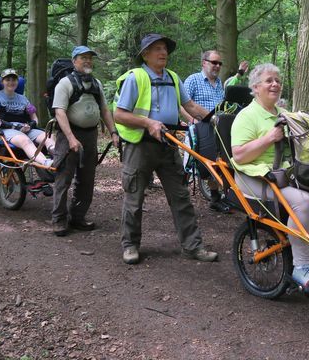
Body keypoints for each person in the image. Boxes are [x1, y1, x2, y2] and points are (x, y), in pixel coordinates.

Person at [231, 63, 309, 294]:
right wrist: (269, 138)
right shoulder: (246, 116)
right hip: (254, 178)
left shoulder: (283, 114)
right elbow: (238, 155)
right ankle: (302, 266)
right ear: (256, 87)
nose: (275, 84)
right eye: (269, 80)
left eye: (277, 80)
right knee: (303, 201)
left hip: (285, 176)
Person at [114, 33, 218, 265]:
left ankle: (193, 246)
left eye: (165, 49)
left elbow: (189, 105)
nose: (163, 53)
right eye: (157, 49)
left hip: (169, 145)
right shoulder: (136, 78)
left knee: (181, 197)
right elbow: (119, 115)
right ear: (145, 54)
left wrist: (213, 118)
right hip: (140, 147)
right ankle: (130, 245)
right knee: (134, 198)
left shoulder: (172, 77)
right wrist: (148, 122)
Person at [51, 46, 119, 237]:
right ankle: (59, 220)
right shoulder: (64, 83)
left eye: (90, 58)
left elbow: (105, 110)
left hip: (91, 136)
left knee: (87, 178)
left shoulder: (96, 83)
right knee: (63, 178)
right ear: (74, 61)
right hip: (68, 135)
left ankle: (78, 217)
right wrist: (71, 138)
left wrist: (113, 132)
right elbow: (59, 112)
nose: (88, 61)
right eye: (83, 58)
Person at [183, 50, 230, 213]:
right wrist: (192, 121)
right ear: (204, 62)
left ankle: (216, 198)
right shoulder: (193, 80)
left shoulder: (219, 84)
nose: (217, 66)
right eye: (214, 62)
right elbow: (181, 104)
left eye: (219, 63)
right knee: (197, 162)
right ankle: (181, 196)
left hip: (217, 127)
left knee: (217, 161)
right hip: (199, 127)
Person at [0, 68, 55, 166]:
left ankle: (57, 158)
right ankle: (46, 162)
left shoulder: (23, 99)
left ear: (17, 81)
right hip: (4, 130)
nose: (11, 82)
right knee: (25, 140)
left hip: (24, 128)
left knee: (47, 137)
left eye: (14, 80)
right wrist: (12, 126)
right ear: (2, 82)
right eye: (7, 80)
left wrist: (31, 124)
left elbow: (34, 117)